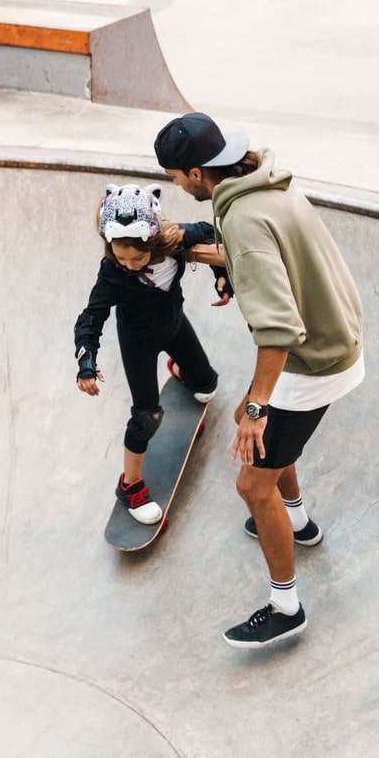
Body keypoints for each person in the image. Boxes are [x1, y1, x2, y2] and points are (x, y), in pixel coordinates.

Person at [155, 112, 364, 649]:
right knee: (263, 435)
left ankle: (286, 606)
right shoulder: (262, 188)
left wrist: (256, 406)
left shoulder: (243, 221)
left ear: (198, 172)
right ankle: (298, 523)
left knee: (251, 480)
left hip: (311, 357)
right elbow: (258, 260)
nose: (176, 185)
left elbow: (277, 329)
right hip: (335, 334)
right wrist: (197, 255)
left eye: (177, 175)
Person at [75, 183, 231, 524]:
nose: (128, 264)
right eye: (121, 255)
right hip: (138, 342)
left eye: (137, 256)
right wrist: (86, 364)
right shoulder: (112, 273)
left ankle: (182, 370)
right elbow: (90, 318)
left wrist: (222, 276)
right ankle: (130, 486)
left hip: (175, 325)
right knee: (147, 418)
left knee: (207, 387)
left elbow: (214, 234)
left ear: (154, 240)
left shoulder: (176, 240)